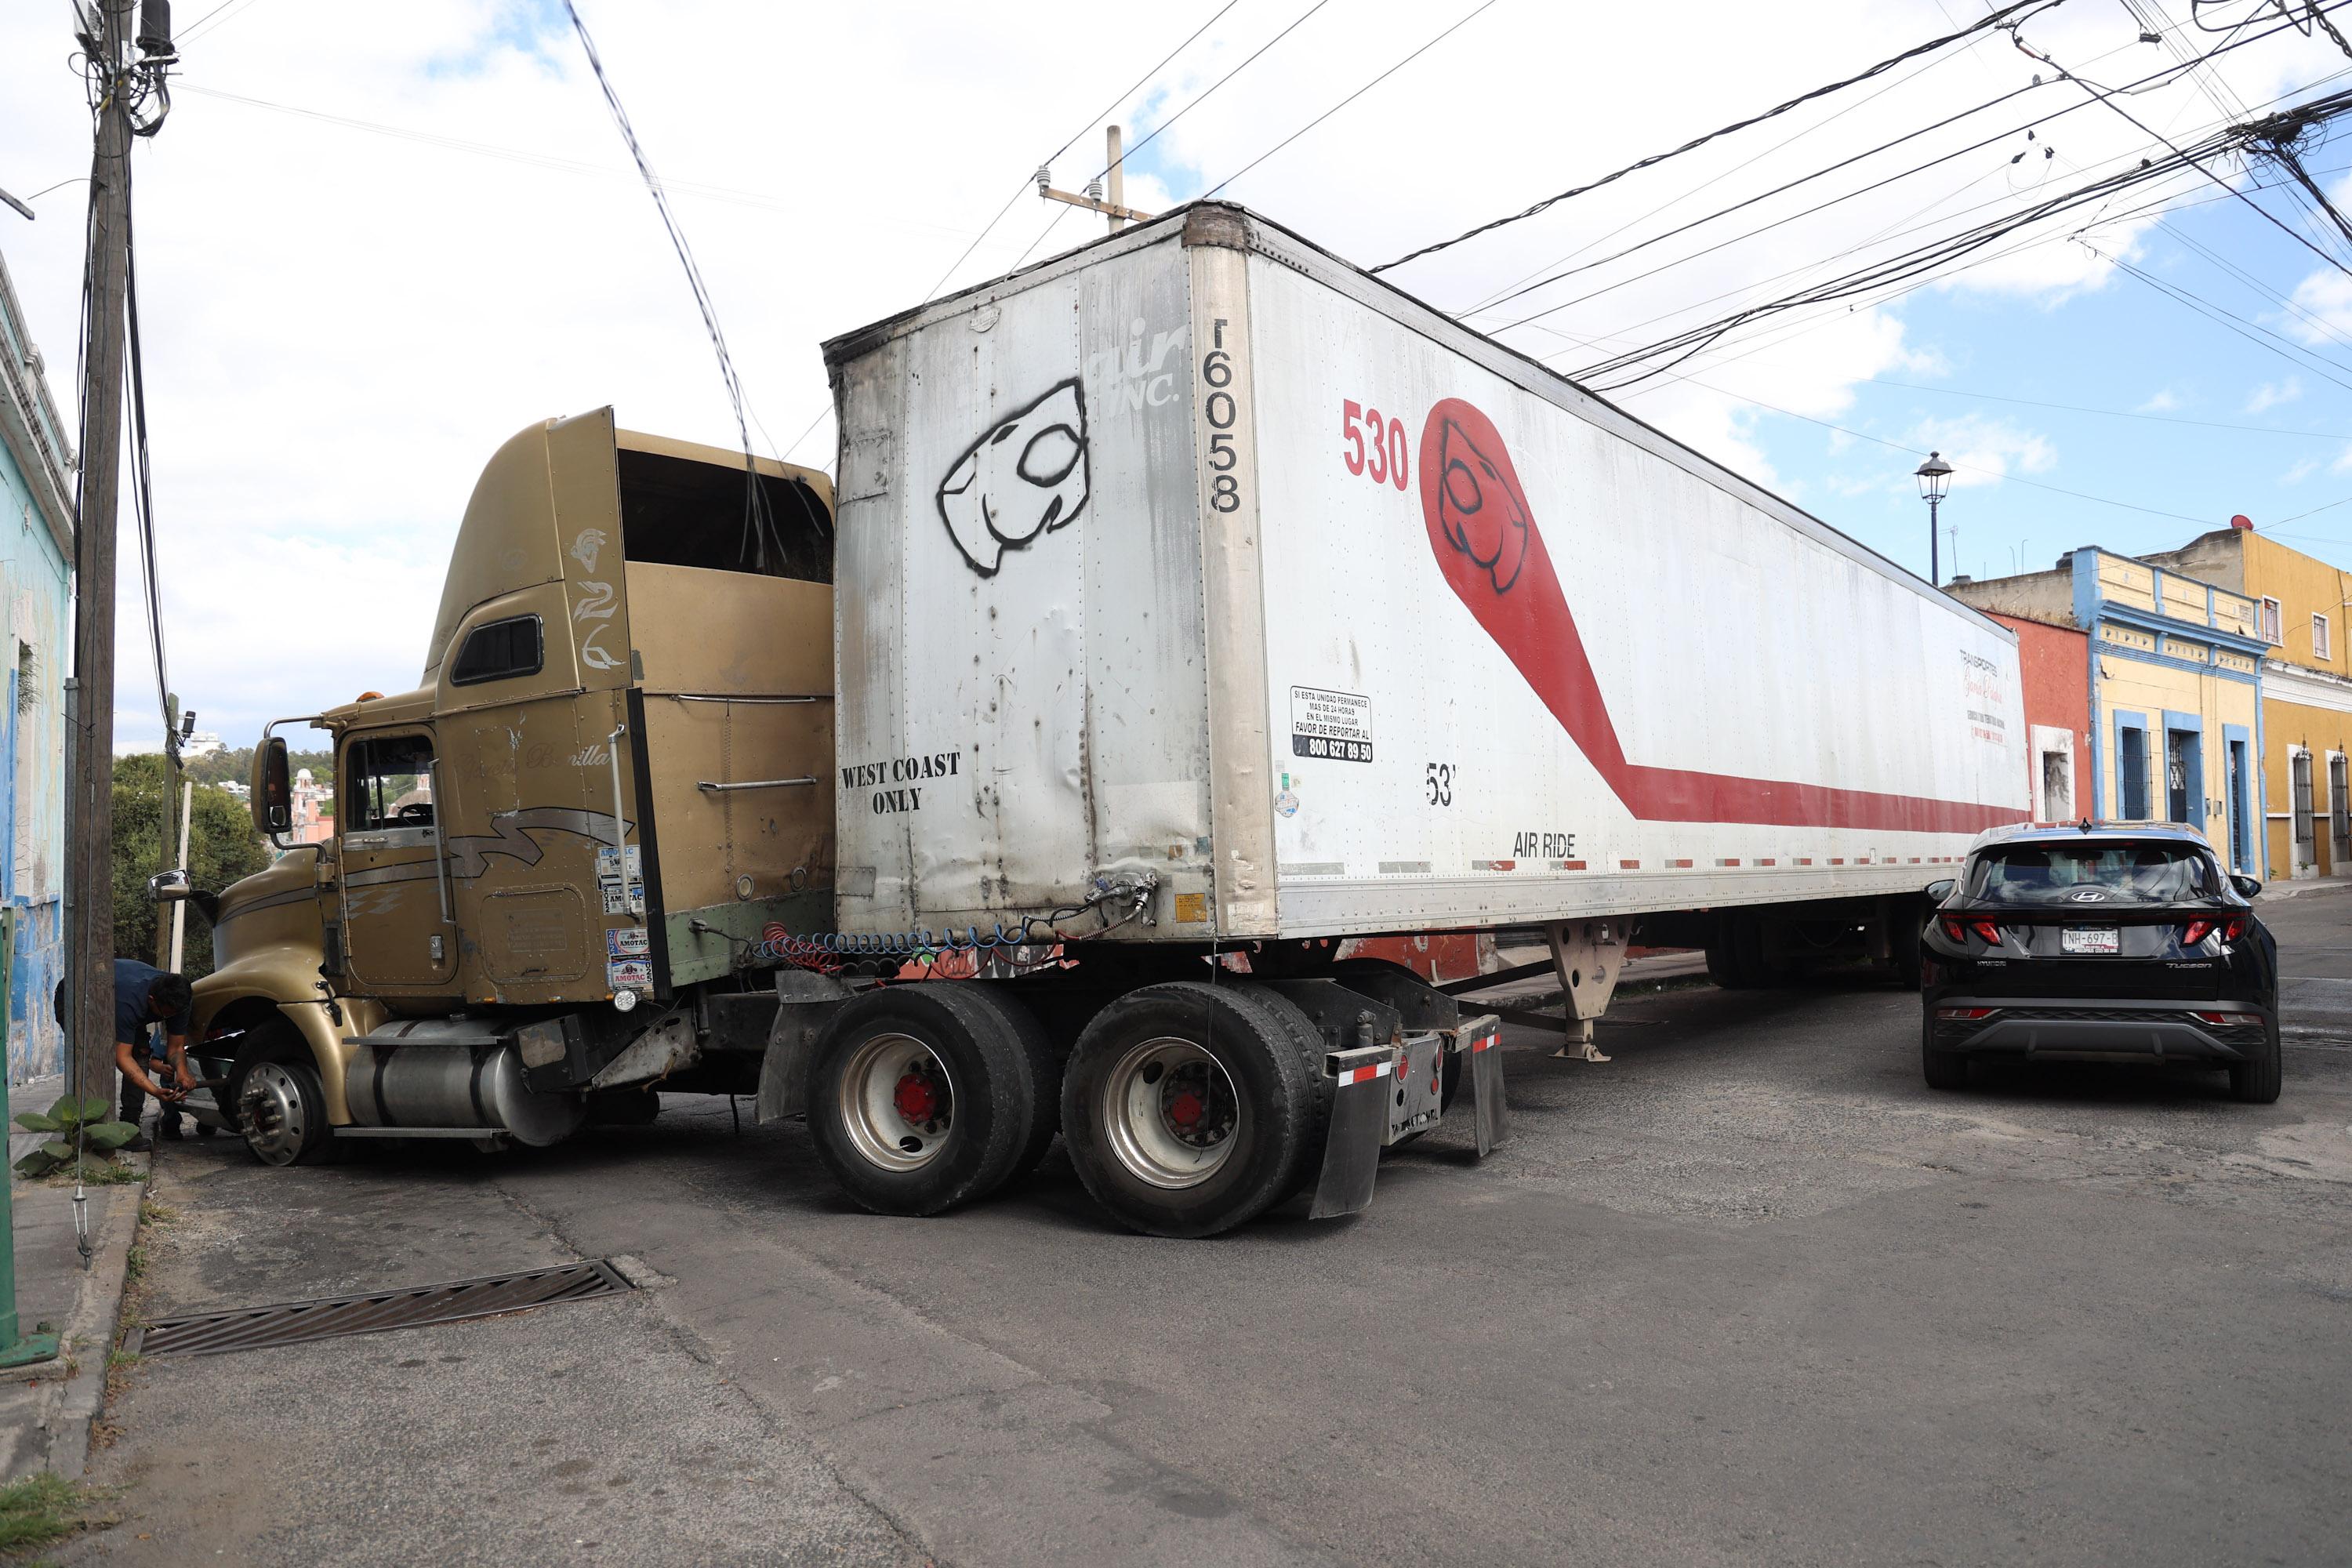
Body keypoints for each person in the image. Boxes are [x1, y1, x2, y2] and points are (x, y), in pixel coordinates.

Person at [114, 960, 194, 1150]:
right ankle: (89, 1129)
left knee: (141, 1054)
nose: (169, 1018)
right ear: (151, 1000)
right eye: (165, 1014)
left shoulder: (181, 1001)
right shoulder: (130, 1001)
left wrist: (182, 1073)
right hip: (81, 996)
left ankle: (129, 1127)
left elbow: (176, 1048)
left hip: (126, 1000)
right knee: (93, 1060)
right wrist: (154, 1090)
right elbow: (122, 1057)